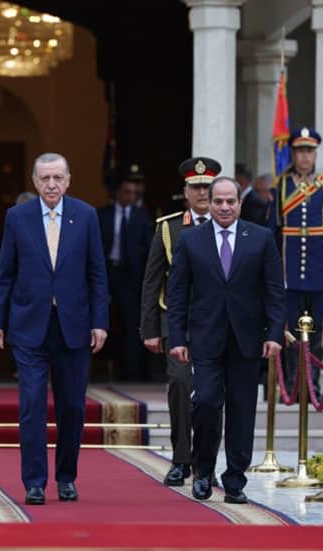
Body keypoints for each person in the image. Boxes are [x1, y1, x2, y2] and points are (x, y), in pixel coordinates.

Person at [0, 152, 108, 505]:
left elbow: (97, 273)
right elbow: (4, 274)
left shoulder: (85, 216)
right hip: (28, 327)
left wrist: (100, 321)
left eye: (58, 178)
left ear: (68, 180)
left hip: (74, 327)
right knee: (32, 406)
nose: (51, 184)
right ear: (35, 181)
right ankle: (34, 483)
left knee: (72, 407)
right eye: (45, 179)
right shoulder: (17, 217)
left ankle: (66, 477)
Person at [167, 176, 285, 504]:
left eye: (230, 201)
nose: (224, 207)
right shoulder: (191, 240)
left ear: (239, 203)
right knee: (204, 402)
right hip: (205, 338)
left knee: (242, 410)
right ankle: (203, 470)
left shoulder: (260, 238)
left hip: (247, 340)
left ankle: (235, 478)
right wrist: (177, 337)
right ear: (209, 202)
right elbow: (177, 294)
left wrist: (275, 333)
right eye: (218, 201)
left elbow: (275, 290)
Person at [140, 156, 221, 487]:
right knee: (180, 386)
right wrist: (149, 330)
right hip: (178, 323)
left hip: (217, 322)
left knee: (211, 396)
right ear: (184, 191)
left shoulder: (227, 222)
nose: (202, 193)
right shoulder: (169, 227)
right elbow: (152, 280)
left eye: (207, 186)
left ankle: (206, 463)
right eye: (196, 187)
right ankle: (181, 459)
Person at [269, 127, 323, 395]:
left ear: (315, 154)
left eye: (309, 151)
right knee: (290, 333)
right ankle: (291, 386)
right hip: (289, 274)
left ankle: (315, 387)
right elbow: (273, 229)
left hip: (318, 273)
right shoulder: (281, 186)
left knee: (317, 335)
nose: (305, 156)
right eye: (300, 151)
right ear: (293, 154)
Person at [98, 174, 152, 380]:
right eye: (127, 192)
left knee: (131, 324)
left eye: (134, 193)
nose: (131, 196)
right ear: (117, 192)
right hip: (107, 273)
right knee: (105, 322)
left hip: (131, 279)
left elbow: (149, 249)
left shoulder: (142, 216)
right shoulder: (102, 214)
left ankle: (131, 372)